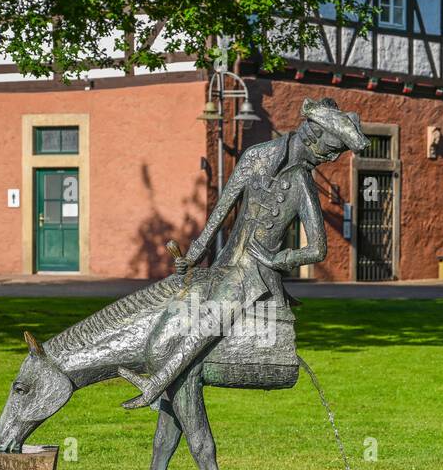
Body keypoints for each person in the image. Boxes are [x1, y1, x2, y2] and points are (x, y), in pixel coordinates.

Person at [118, 97, 367, 408]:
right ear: (311, 134)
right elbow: (223, 208)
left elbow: (318, 248)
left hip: (256, 275)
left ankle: (156, 382)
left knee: (211, 317)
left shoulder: (302, 181)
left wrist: (280, 259)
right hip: (226, 264)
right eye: (329, 152)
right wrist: (195, 254)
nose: (330, 161)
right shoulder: (256, 157)